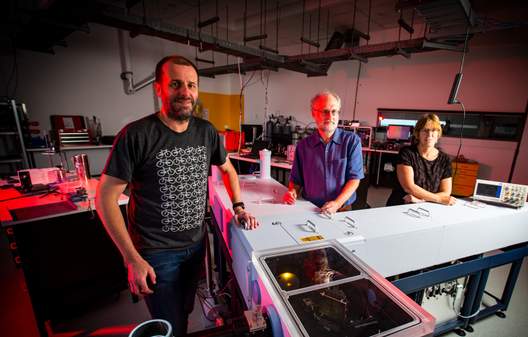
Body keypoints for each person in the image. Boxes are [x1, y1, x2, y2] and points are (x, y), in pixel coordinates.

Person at [96, 55, 258, 336]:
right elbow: (105, 198)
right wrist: (131, 258)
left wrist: (239, 207)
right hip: (155, 253)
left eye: (191, 85)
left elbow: (228, 169)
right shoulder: (136, 135)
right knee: (168, 325)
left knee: (183, 312)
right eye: (176, 84)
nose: (185, 92)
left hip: (195, 247)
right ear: (159, 88)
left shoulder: (206, 131)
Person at [283, 91, 364, 214]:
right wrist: (292, 191)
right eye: (325, 111)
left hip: (341, 209)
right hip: (309, 208)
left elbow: (354, 179)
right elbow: (296, 180)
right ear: (313, 113)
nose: (330, 116)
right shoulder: (303, 146)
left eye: (334, 111)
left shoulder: (351, 141)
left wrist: (337, 203)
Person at [386, 113, 456, 206]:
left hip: (428, 208)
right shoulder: (407, 153)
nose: (429, 135)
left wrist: (421, 200)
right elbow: (409, 188)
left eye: (434, 130)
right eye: (425, 130)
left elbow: (446, 192)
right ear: (418, 134)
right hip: (401, 205)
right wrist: (439, 199)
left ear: (438, 134)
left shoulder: (445, 160)